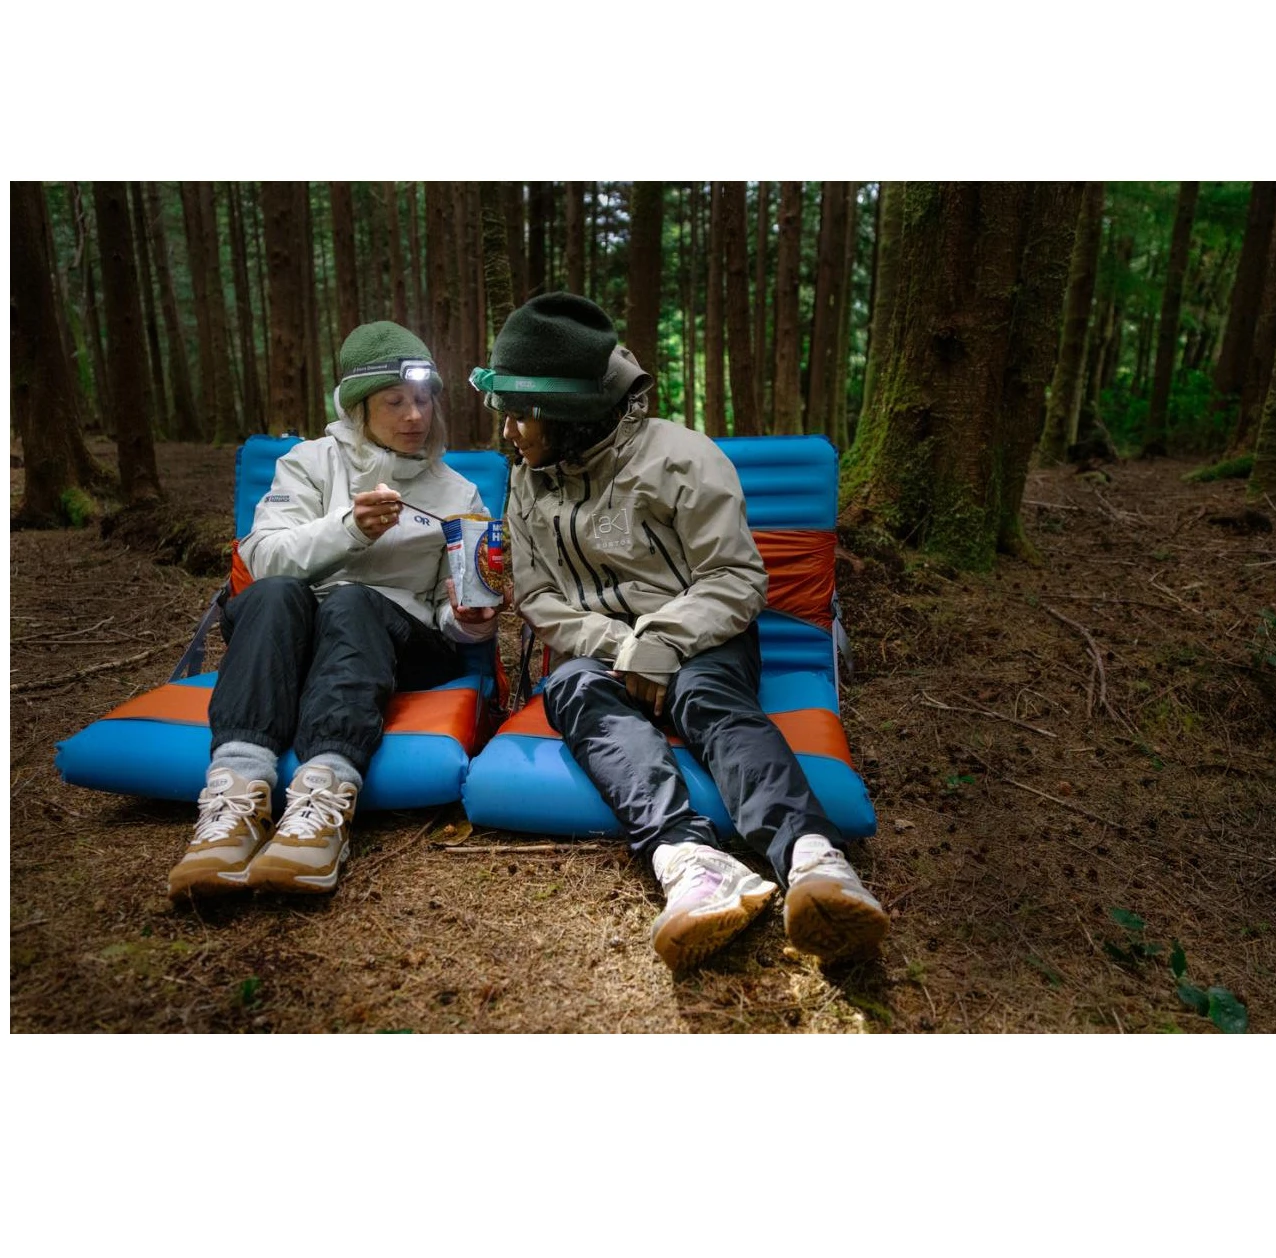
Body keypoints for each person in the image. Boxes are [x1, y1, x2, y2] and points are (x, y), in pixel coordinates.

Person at [475, 292, 889, 970]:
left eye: (521, 415)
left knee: (704, 694)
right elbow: (541, 599)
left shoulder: (680, 459)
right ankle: (690, 861)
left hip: (703, 635)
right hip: (603, 650)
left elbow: (735, 578)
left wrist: (665, 641)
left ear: (569, 416)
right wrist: (626, 648)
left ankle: (813, 859)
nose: (509, 432)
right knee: (572, 688)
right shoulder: (528, 482)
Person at [168, 321, 499, 901]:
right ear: (357, 407)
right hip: (294, 639)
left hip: (398, 647)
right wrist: (349, 529)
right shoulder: (307, 464)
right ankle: (235, 801)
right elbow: (263, 558)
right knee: (274, 592)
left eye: (423, 400)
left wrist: (472, 621)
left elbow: (452, 614)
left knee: (352, 601)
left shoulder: (458, 493)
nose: (415, 416)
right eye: (394, 402)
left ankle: (321, 806)